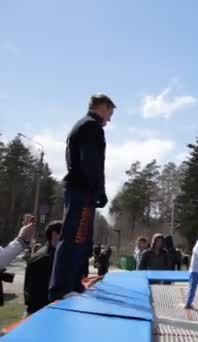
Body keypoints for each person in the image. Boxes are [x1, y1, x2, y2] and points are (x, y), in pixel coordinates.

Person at [49, 94, 115, 301]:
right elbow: (91, 162)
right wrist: (97, 189)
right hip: (82, 189)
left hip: (81, 187)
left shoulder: (83, 125)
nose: (110, 119)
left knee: (81, 238)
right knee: (73, 237)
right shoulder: (90, 127)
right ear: (102, 107)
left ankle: (74, 281)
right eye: (110, 113)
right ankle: (61, 287)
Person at [23, 221, 61, 315]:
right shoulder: (44, 259)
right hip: (41, 312)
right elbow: (38, 293)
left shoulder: (54, 255)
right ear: (55, 235)